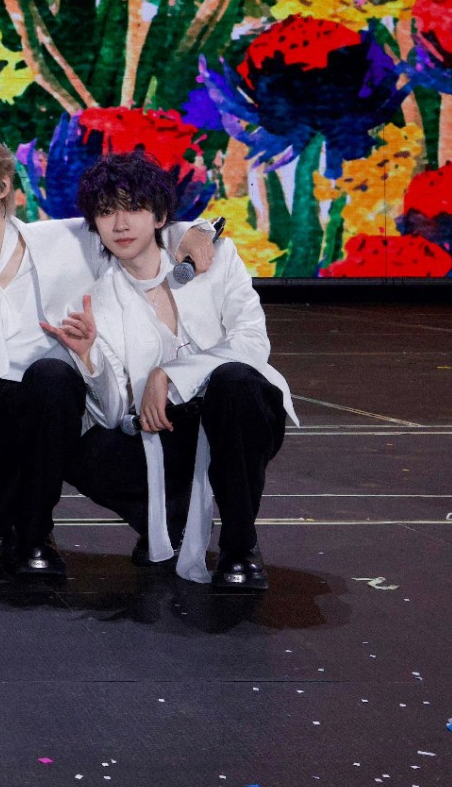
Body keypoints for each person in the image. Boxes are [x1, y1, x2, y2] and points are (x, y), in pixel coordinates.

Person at [0, 132, 215, 581]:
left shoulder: (65, 240)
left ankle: (34, 536)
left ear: (2, 186)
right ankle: (5, 513)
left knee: (50, 375)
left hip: (55, 404)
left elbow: (137, 230)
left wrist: (197, 230)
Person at [52, 152, 295, 590]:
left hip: (239, 416)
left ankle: (240, 547)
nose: (120, 224)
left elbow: (252, 343)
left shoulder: (215, 257)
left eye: (134, 208)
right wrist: (90, 360)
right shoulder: (98, 300)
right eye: (106, 212)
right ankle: (166, 518)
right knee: (73, 446)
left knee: (235, 382)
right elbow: (114, 414)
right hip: (165, 431)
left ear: (160, 216)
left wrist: (169, 374)